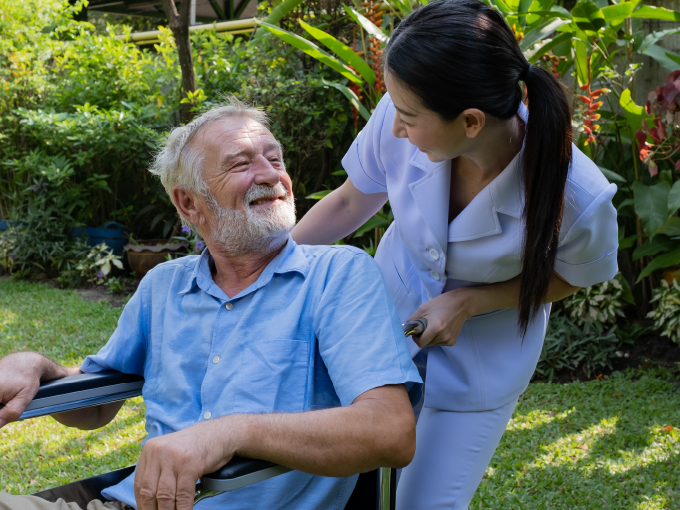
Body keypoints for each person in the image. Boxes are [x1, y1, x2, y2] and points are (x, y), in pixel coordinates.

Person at [0, 99, 421, 510]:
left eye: (275, 159)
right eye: (241, 164)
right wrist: (43, 368)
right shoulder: (163, 286)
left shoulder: (338, 275)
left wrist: (229, 432)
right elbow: (97, 403)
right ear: (188, 203)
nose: (270, 175)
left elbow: (390, 431)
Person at [291, 0, 619, 507]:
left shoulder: (578, 195)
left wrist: (469, 303)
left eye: (408, 119)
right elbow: (352, 199)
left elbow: (574, 275)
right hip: (382, 320)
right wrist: (267, 264)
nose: (396, 128)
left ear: (470, 122)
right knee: (336, 487)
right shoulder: (407, 111)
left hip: (478, 366)